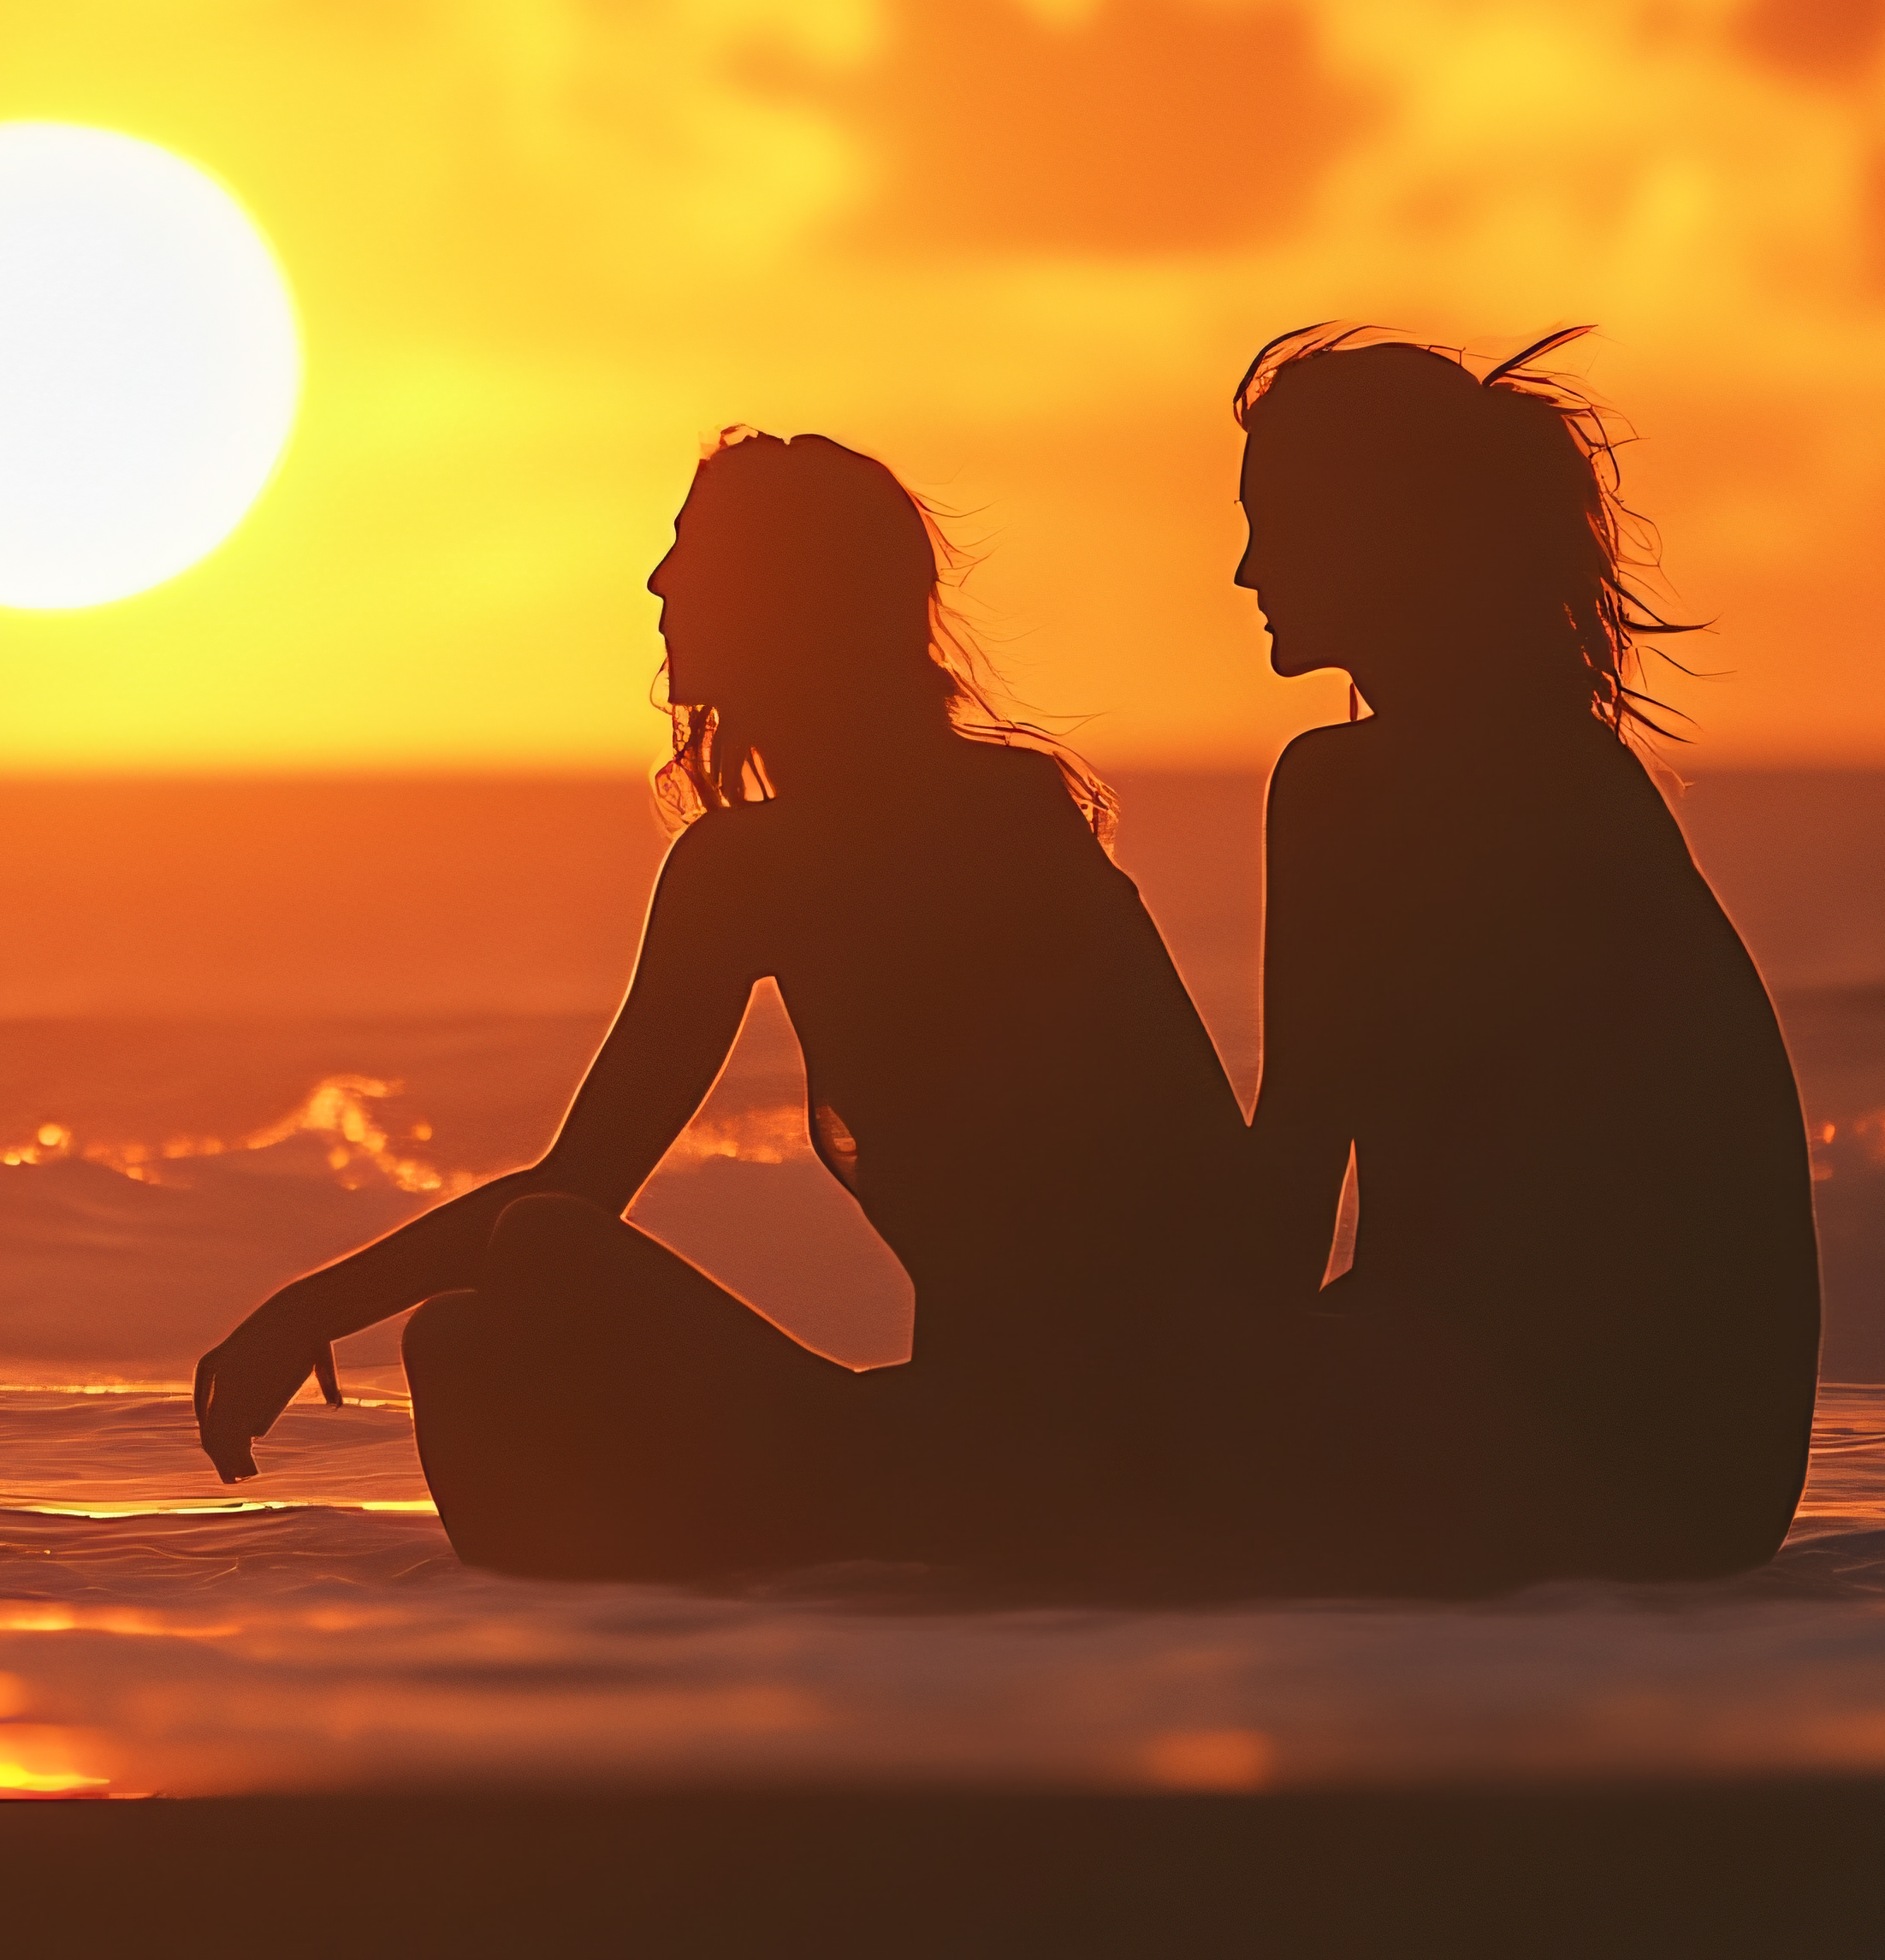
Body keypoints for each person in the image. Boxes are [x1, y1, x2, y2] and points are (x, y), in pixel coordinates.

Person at [189, 429, 1247, 1580]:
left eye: (692, 553)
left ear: (788, 597)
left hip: (1051, 1447)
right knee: (464, 1335)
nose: (656, 584)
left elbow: (569, 1199)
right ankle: (611, 1664)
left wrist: (304, 1312)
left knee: (523, 1266)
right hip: (1002, 1430)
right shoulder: (899, 829)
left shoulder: (872, 844)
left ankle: (628, 1650)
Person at [1216, 328, 1818, 1590]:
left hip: (1541, 1459)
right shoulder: (1582, 781)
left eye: (1277, 522)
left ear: (1382, 536)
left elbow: (1287, 1192)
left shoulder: (1352, 790)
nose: (1246, 568)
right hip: (1710, 1487)